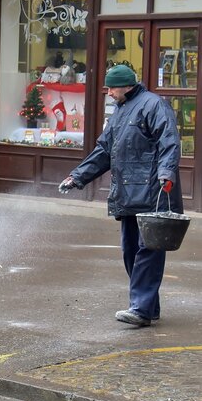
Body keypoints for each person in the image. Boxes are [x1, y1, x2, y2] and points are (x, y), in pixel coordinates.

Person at [58, 65, 183, 327]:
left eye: (112, 87)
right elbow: (104, 150)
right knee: (130, 251)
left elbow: (168, 141)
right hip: (127, 192)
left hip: (153, 192)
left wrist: (166, 174)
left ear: (126, 86)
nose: (109, 92)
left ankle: (140, 309)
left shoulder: (153, 105)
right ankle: (149, 306)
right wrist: (77, 176)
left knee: (147, 250)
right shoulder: (120, 112)